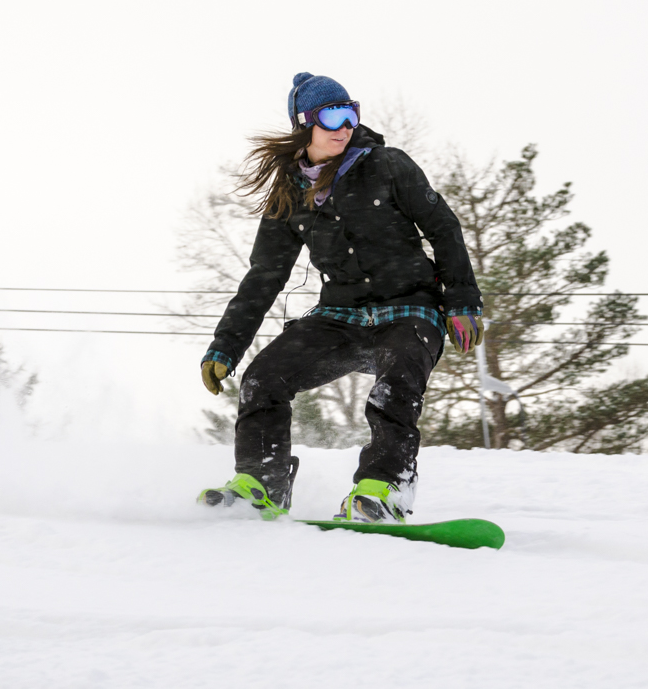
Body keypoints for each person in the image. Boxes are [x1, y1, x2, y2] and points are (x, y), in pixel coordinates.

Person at [197, 73, 484, 523]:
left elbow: (443, 229)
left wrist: (463, 302)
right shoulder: (290, 194)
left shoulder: (388, 165)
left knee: (395, 383)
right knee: (263, 378)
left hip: (409, 309)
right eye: (332, 116)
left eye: (351, 114)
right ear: (304, 123)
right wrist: (226, 345)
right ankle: (262, 483)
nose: (344, 127)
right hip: (340, 317)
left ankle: (382, 488)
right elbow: (264, 276)